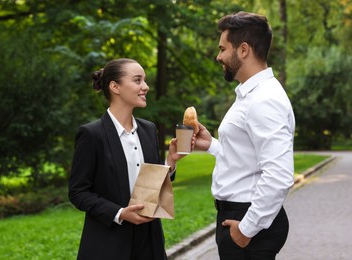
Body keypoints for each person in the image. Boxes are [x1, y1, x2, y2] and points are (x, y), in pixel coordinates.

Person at [194, 11, 295, 259]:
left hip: (247, 223)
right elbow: (246, 157)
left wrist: (246, 229)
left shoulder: (264, 100)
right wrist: (212, 146)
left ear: (243, 50)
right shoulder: (249, 94)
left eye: (222, 48)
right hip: (239, 216)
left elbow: (279, 175)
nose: (218, 56)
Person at [68, 58, 185, 259]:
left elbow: (150, 185)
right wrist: (120, 213)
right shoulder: (91, 135)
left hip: (150, 242)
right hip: (108, 244)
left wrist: (171, 161)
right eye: (138, 80)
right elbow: (78, 192)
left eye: (145, 81)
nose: (145, 87)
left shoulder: (148, 129)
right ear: (115, 87)